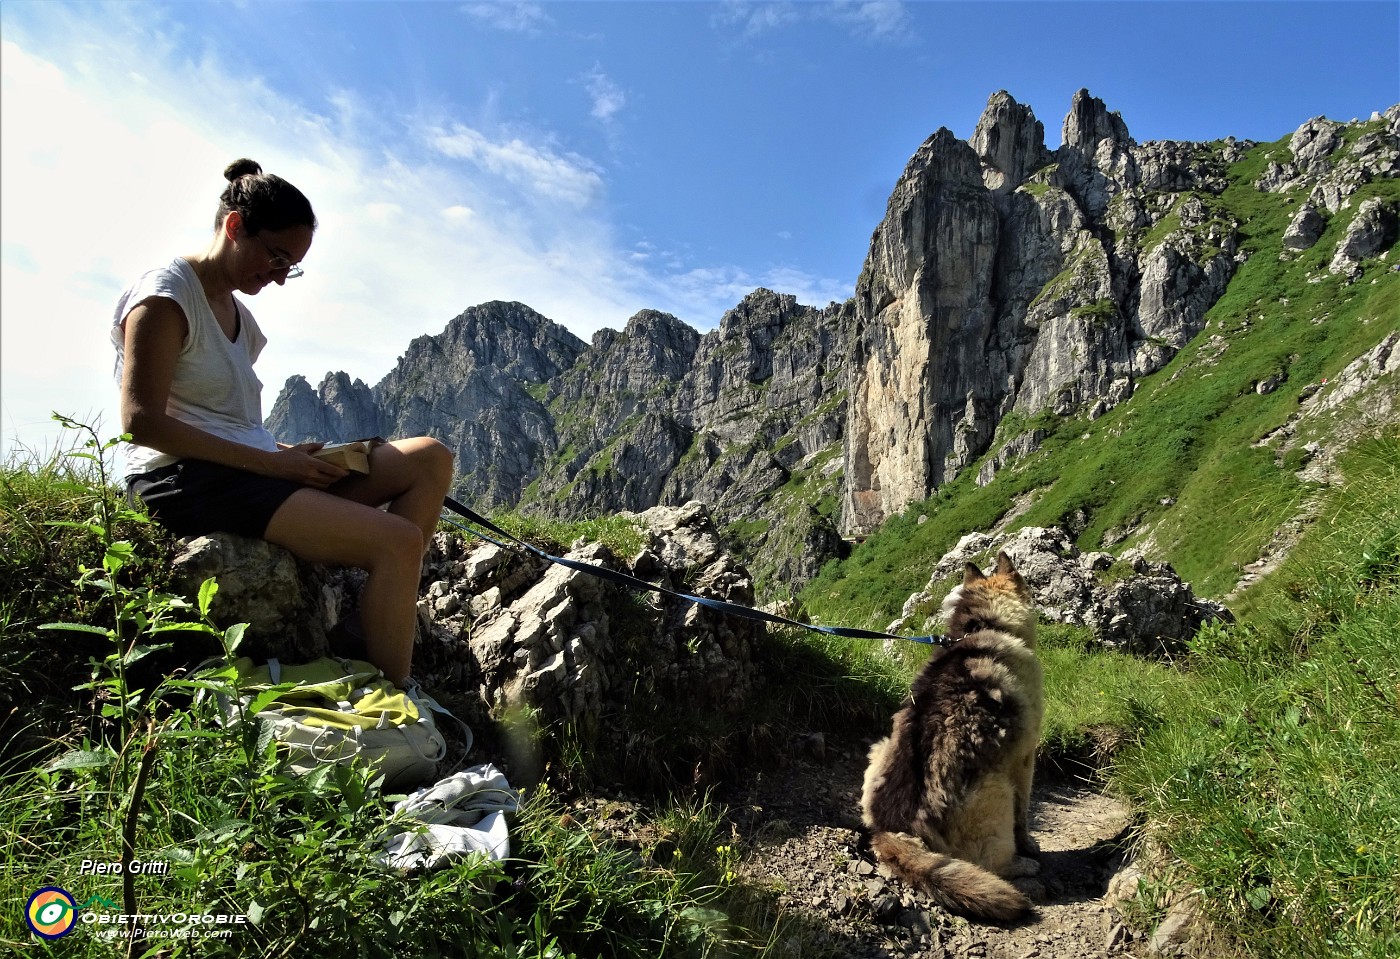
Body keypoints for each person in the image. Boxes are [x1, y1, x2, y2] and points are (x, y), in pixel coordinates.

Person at [111, 158, 453, 687]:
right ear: (233, 227)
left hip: (245, 472)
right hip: (179, 481)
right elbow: (140, 423)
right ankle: (394, 700)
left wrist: (287, 451)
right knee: (398, 541)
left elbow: (226, 419)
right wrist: (273, 465)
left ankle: (367, 632)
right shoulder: (165, 297)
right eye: (275, 257)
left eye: (290, 266)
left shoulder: (239, 318)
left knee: (429, 456)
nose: (278, 277)